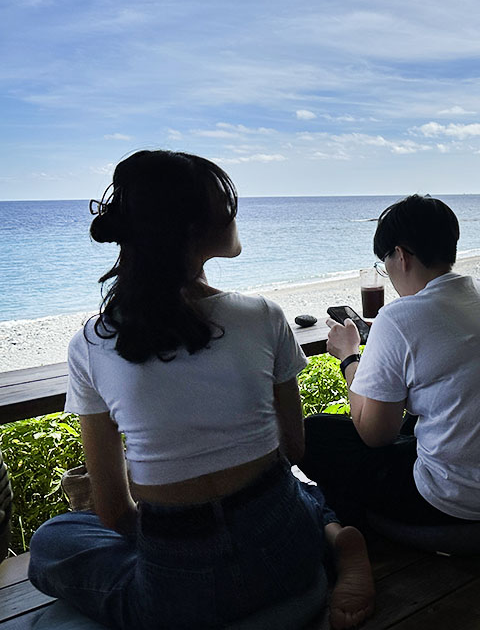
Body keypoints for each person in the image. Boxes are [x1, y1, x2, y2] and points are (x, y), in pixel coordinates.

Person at [27, 150, 374, 630]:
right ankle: (335, 538)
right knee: (297, 488)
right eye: (225, 205)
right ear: (190, 228)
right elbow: (293, 448)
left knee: (53, 540)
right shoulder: (263, 315)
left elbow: (112, 512)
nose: (234, 214)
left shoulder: (93, 343)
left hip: (178, 594)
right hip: (286, 551)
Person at [299, 195, 480, 526]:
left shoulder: (398, 318)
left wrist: (348, 356)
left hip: (466, 499)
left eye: (383, 261)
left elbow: (375, 435)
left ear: (400, 255)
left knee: (313, 433)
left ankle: (355, 531)